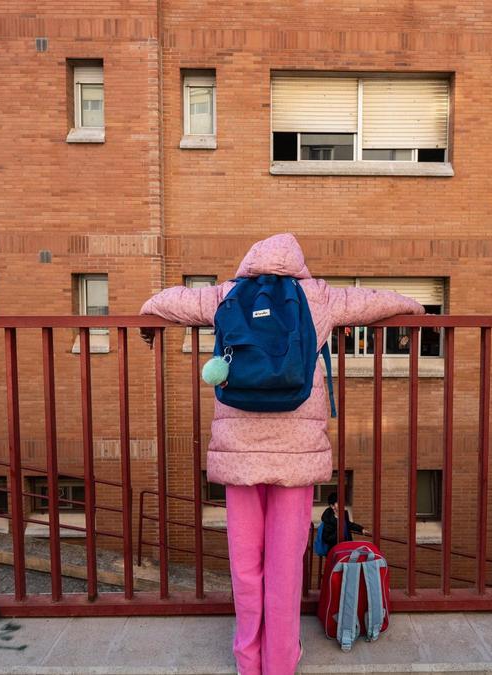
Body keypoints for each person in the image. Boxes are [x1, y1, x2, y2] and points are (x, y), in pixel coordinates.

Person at [139, 233, 423, 675]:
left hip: (240, 453)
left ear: (251, 261)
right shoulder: (317, 296)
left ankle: (246, 659)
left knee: (245, 564)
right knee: (285, 566)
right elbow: (372, 299)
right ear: (298, 263)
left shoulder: (229, 294)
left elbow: (178, 300)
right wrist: (414, 306)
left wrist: (148, 309)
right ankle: (281, 662)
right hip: (296, 453)